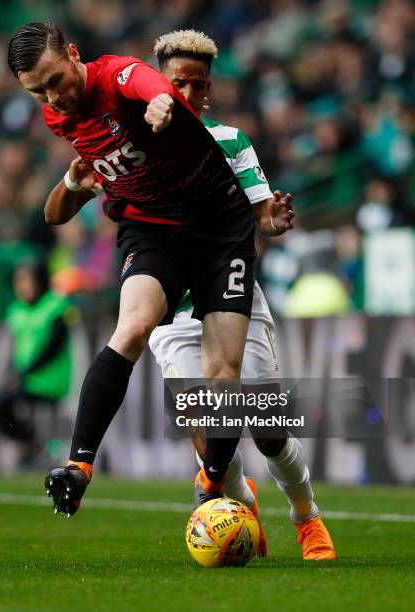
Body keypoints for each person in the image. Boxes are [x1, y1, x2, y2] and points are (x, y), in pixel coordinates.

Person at [7, 22, 271, 518]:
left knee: (223, 373)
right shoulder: (56, 115)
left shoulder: (119, 76)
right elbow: (55, 212)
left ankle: (213, 479)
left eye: (55, 79)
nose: (52, 97)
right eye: (37, 91)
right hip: (152, 232)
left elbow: (151, 85)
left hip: (218, 230)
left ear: (74, 53)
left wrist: (162, 103)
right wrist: (76, 177)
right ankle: (79, 467)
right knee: (130, 327)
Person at [148, 30, 335, 560]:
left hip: (232, 300)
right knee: (208, 431)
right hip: (172, 307)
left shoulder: (230, 140)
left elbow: (263, 216)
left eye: (198, 85)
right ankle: (235, 505)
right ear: (157, 82)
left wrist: (272, 219)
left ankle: (307, 518)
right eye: (177, 82)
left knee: (268, 429)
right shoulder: (133, 144)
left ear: (208, 89)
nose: (188, 93)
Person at [0, 259, 73, 463]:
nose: (22, 286)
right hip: (25, 379)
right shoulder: (16, 310)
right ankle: (31, 442)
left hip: (49, 380)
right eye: (18, 280)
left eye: (26, 280)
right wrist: (11, 373)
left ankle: (32, 443)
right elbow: (13, 350)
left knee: (0, 404)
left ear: (40, 280)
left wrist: (23, 372)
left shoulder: (56, 305)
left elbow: (53, 347)